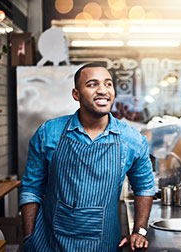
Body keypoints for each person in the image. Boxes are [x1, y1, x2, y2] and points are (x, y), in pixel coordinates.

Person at [20, 63, 155, 251]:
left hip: (103, 244)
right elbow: (31, 188)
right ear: (76, 94)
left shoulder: (132, 140)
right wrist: (29, 237)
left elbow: (145, 187)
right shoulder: (48, 133)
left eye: (108, 84)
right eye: (92, 84)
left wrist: (139, 231)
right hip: (49, 244)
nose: (102, 90)